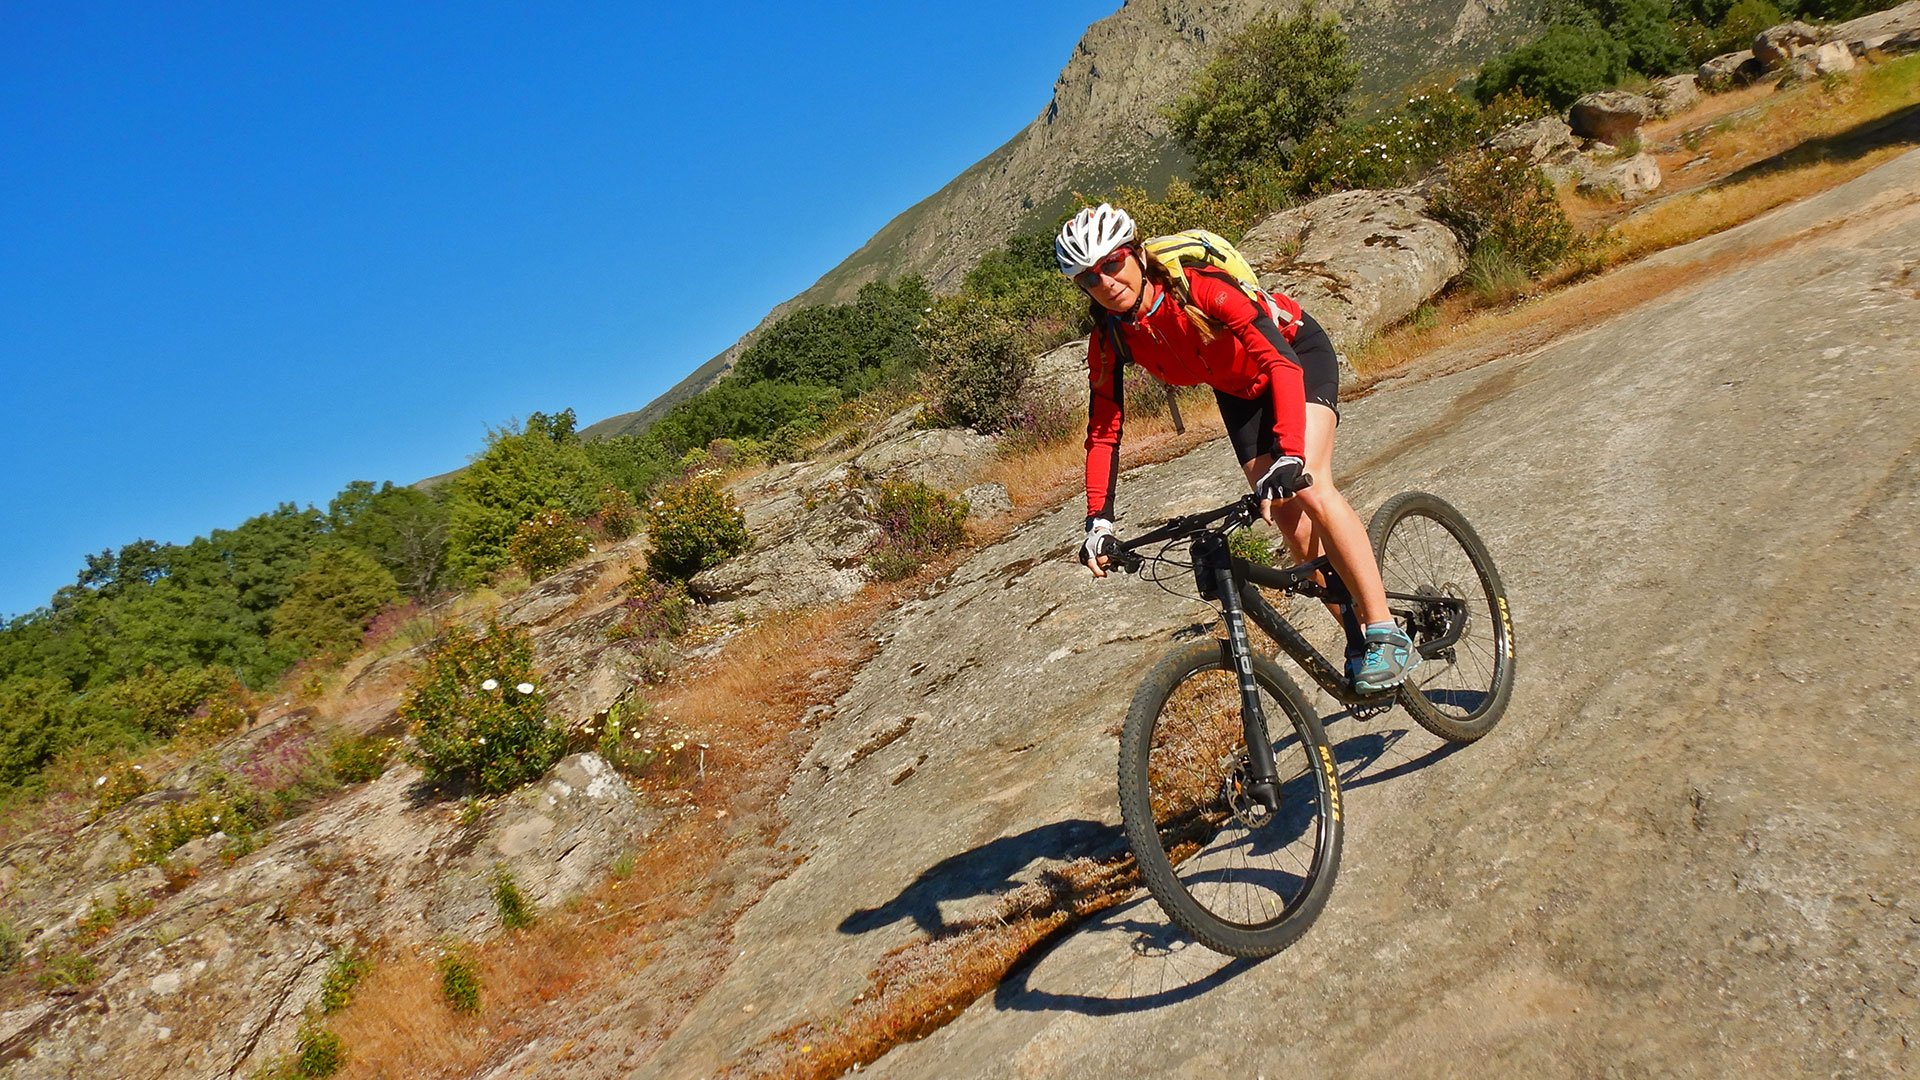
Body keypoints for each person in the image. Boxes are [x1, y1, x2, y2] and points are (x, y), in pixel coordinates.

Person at [1057, 203, 1414, 693]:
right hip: (1235, 387)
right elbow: (1103, 432)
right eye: (1089, 278)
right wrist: (1098, 520)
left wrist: (1290, 452)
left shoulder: (1199, 288)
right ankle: (1355, 640)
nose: (1105, 282)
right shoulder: (1112, 338)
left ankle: (1386, 633)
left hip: (1293, 355)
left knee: (1310, 486)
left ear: (1136, 254)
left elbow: (1282, 366)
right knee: (1287, 520)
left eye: (1112, 263)